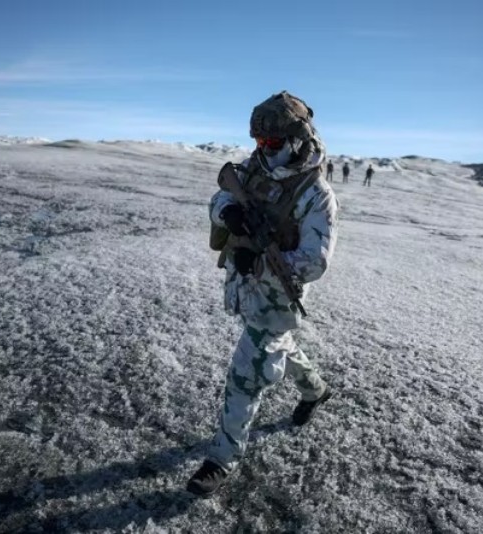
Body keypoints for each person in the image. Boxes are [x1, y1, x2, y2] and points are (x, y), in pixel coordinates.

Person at [188, 91, 339, 497]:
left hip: (275, 298)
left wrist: (259, 261)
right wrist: (228, 212)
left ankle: (221, 459)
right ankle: (316, 390)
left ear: (297, 139)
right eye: (259, 141)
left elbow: (315, 261)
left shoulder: (316, 194)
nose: (264, 149)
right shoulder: (252, 168)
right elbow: (221, 196)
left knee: (245, 376)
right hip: (246, 288)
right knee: (281, 346)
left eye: (272, 142)